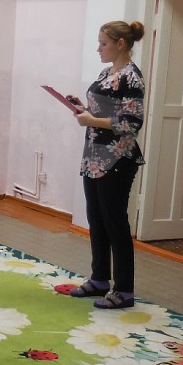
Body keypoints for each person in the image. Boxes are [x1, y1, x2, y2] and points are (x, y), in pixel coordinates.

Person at [67, 20, 146, 310]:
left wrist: (92, 120)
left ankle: (124, 290)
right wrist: (83, 109)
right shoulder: (107, 73)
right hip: (94, 156)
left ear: (120, 44)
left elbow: (131, 123)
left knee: (115, 223)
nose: (98, 49)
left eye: (103, 43)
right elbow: (103, 113)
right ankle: (99, 279)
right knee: (97, 219)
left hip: (117, 159)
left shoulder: (132, 77)